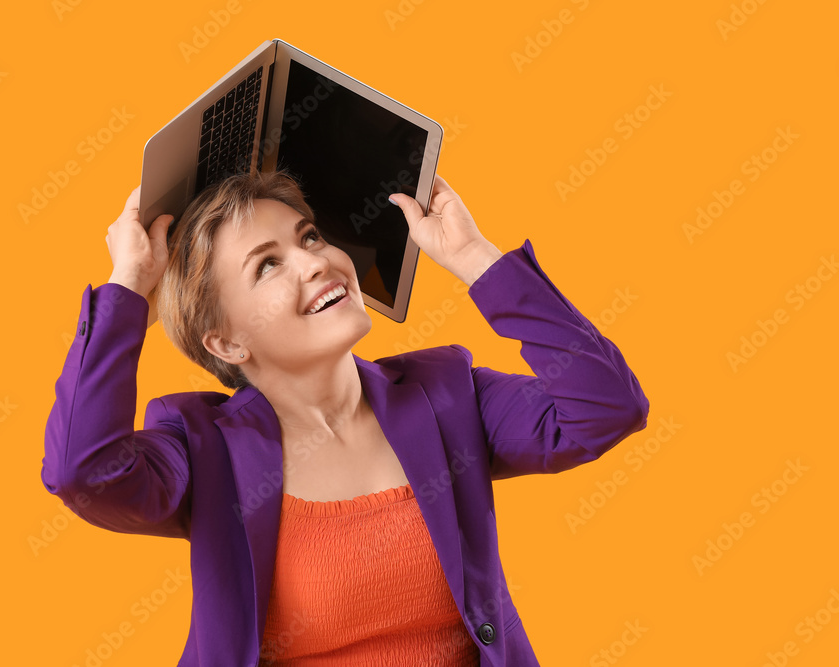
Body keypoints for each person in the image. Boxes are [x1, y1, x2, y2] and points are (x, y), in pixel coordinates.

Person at [41, 169, 650, 666]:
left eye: (308, 237)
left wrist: (474, 257)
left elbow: (606, 408)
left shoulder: (446, 396)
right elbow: (80, 470)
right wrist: (127, 290)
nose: (315, 262)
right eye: (267, 265)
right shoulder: (203, 449)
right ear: (226, 343)